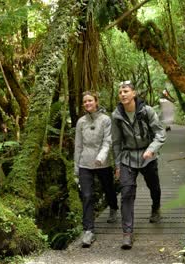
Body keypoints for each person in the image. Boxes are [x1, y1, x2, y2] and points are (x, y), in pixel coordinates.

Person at [111, 81, 167, 249]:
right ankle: (127, 233)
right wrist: (117, 165)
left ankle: (156, 207)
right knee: (127, 192)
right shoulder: (116, 116)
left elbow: (160, 133)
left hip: (147, 156)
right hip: (128, 157)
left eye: (126, 91)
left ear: (133, 93)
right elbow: (116, 142)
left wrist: (151, 149)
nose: (123, 94)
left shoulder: (147, 111)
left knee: (154, 186)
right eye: (120, 92)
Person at [74, 91, 119, 248]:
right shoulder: (81, 122)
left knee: (108, 188)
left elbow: (108, 141)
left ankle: (113, 207)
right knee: (86, 195)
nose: (87, 103)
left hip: (102, 162)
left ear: (96, 102)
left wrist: (101, 156)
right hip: (85, 163)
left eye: (90, 101)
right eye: (85, 101)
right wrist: (76, 169)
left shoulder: (105, 120)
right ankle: (89, 231)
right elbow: (78, 146)